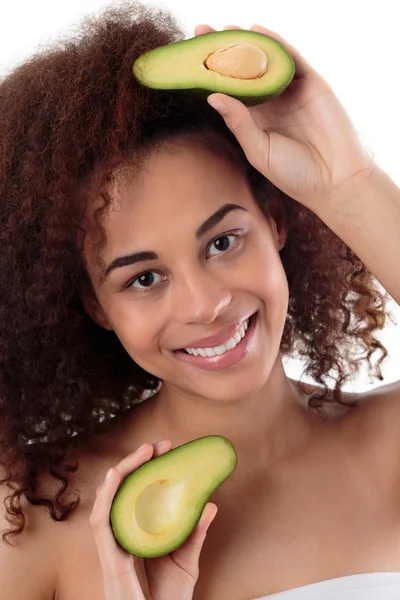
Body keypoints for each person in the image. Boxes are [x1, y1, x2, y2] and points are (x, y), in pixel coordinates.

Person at [1, 2, 400, 599]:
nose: (205, 304)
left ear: (276, 221)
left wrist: (348, 183)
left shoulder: (390, 445)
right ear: (96, 306)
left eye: (222, 242)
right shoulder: (33, 515)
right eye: (143, 278)